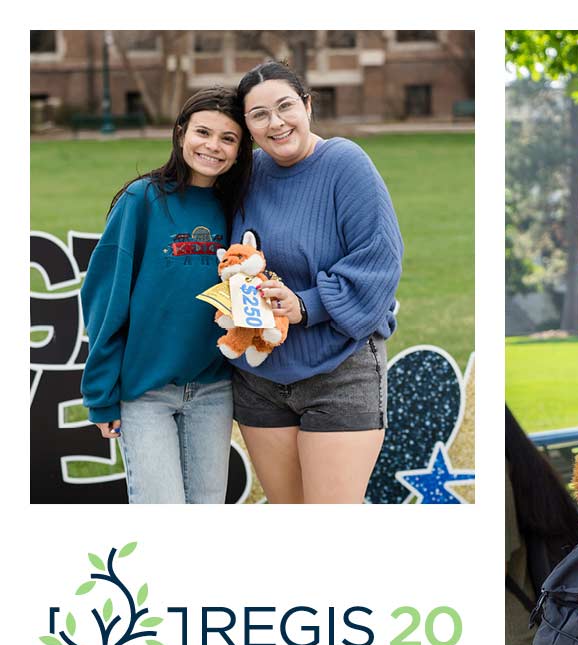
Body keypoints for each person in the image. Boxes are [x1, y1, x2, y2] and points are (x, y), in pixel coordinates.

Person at [226, 61, 404, 504]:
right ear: (247, 125)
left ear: (307, 105)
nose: (277, 122)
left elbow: (379, 260)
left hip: (338, 370)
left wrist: (306, 304)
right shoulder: (248, 175)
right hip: (259, 375)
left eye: (286, 106)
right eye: (259, 114)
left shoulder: (345, 163)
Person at [80, 87, 250, 504]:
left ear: (240, 148)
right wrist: (101, 394)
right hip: (145, 393)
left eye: (227, 138)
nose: (213, 146)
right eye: (203, 132)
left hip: (212, 389)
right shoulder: (143, 200)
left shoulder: (239, 207)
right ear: (180, 133)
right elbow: (105, 298)